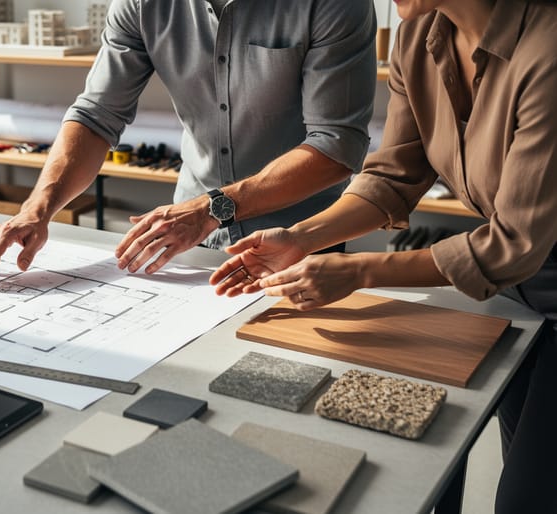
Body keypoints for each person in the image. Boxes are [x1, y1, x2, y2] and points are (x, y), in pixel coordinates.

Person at [210, 0, 557, 511]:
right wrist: (303, 238)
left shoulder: (547, 48)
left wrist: (360, 270)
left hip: (529, 273)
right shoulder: (418, 37)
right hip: (519, 301)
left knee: (527, 500)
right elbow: (394, 177)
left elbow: (512, 244)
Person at [0, 0, 376, 282]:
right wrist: (37, 209)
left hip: (299, 238)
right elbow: (96, 115)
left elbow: (336, 144)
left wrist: (212, 207)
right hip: (190, 236)